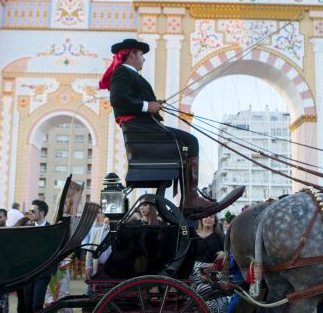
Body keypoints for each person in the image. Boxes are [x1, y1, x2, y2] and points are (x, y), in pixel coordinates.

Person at [100, 38, 244, 217]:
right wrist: (147, 106)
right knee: (190, 141)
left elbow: (129, 98)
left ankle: (189, 197)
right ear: (131, 55)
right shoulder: (122, 72)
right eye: (141, 55)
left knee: (187, 143)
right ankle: (190, 198)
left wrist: (152, 104)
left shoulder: (129, 74)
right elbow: (118, 99)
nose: (144, 59)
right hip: (143, 130)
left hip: (144, 129)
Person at [21, 199, 53, 313]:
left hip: (42, 274)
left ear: (41, 212)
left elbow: (54, 252)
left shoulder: (50, 229)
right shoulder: (27, 228)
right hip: (28, 274)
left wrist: (48, 271)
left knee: (36, 306)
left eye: (33, 211)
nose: (30, 213)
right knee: (28, 307)